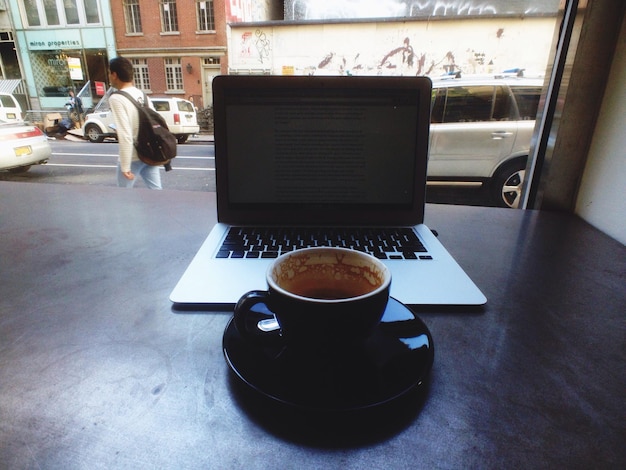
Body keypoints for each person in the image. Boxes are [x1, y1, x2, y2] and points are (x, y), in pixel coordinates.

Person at [108, 56, 162, 190]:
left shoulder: (117, 98)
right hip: (149, 153)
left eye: (109, 73)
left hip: (133, 156)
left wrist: (125, 165)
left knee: (124, 196)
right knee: (157, 192)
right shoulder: (142, 95)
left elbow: (125, 134)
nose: (109, 76)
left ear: (114, 75)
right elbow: (156, 121)